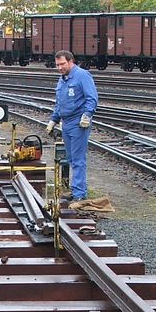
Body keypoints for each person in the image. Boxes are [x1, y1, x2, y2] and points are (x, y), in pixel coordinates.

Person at [45, 50, 98, 201]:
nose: (60, 67)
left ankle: (79, 193)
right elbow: (60, 103)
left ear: (70, 62)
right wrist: (53, 120)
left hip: (78, 123)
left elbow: (92, 98)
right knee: (71, 158)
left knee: (78, 159)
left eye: (62, 64)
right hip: (66, 123)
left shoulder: (82, 76)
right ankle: (76, 190)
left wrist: (87, 115)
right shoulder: (62, 79)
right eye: (57, 65)